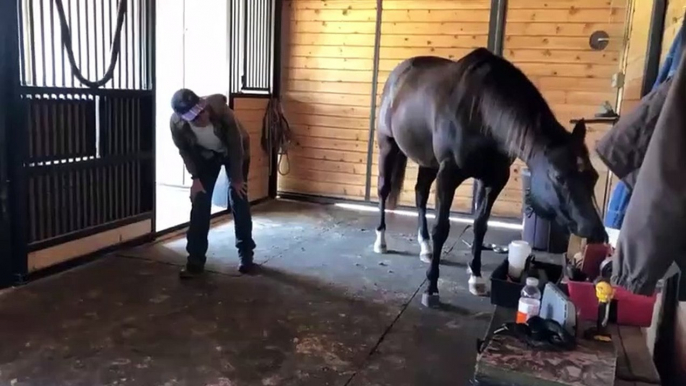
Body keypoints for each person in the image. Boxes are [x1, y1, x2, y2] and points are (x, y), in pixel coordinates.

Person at [170, 88, 256, 278]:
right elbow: (185, 152)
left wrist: (236, 179)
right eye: (194, 117)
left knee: (238, 197)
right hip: (206, 156)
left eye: (201, 111)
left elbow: (236, 145)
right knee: (200, 201)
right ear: (183, 118)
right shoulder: (176, 125)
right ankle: (195, 260)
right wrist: (195, 179)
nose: (201, 118)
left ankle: (246, 254)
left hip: (236, 153)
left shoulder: (221, 112)